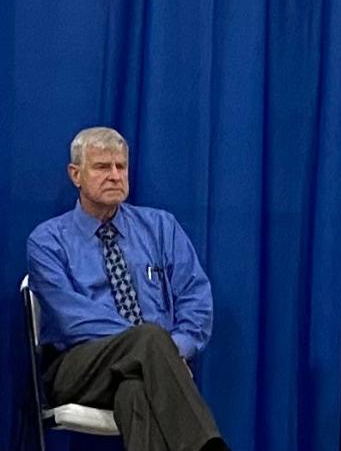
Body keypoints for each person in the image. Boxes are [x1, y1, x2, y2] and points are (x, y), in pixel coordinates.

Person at [26, 126, 228, 451]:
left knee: (135, 390)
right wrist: (152, 346)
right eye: (103, 167)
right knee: (148, 339)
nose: (115, 176)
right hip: (78, 368)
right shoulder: (48, 241)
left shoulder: (161, 228)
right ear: (75, 174)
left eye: (121, 167)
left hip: (152, 366)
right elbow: (72, 320)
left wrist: (168, 351)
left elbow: (196, 300)